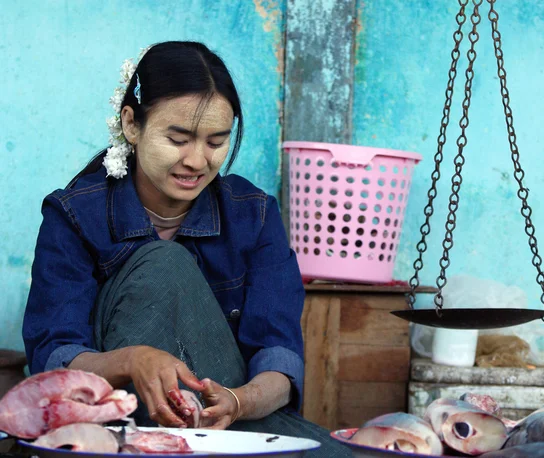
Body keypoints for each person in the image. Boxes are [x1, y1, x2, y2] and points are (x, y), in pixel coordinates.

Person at [22, 41, 351, 457]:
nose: (197, 161)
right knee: (163, 263)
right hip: (117, 421)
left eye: (216, 142)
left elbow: (278, 357)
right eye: (178, 139)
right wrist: (131, 360)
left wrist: (236, 402)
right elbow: (54, 356)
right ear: (131, 124)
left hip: (230, 421)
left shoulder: (255, 216)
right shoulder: (73, 216)